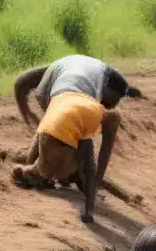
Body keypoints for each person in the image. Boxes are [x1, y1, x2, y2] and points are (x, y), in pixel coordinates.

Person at [11, 85, 121, 223]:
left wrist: (31, 160)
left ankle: (34, 171)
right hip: (55, 151)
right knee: (80, 171)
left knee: (53, 166)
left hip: (48, 137)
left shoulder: (76, 101)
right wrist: (89, 208)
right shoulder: (97, 117)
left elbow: (42, 132)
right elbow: (90, 160)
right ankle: (38, 173)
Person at [12, 53, 139, 131]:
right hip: (39, 85)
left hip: (35, 80)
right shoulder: (86, 87)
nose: (115, 105)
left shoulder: (97, 75)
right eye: (115, 100)